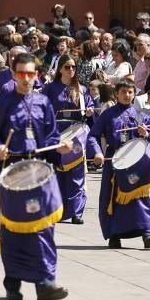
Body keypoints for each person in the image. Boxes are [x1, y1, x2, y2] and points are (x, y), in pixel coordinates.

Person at [0, 52, 71, 300]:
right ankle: (13, 281)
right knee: (13, 231)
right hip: (12, 171)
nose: (26, 79)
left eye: (31, 74)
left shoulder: (43, 102)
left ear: (37, 75)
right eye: (21, 74)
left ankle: (46, 283)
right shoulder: (3, 103)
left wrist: (58, 146)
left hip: (39, 171)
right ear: (14, 75)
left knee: (43, 228)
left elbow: (50, 136)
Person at [89, 79, 150, 250]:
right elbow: (92, 136)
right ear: (116, 94)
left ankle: (147, 233)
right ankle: (114, 235)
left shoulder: (141, 115)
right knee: (112, 198)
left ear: (134, 94)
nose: (127, 95)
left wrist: (146, 134)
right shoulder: (108, 114)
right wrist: (97, 152)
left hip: (136, 161)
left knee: (140, 197)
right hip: (114, 160)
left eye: (130, 92)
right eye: (123, 92)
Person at [41, 54, 95, 224]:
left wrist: (90, 110)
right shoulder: (50, 88)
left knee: (76, 173)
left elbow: (90, 105)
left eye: (73, 67)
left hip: (76, 134)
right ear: (60, 69)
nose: (71, 70)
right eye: (67, 67)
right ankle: (57, 209)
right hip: (56, 133)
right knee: (57, 172)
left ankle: (76, 211)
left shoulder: (82, 89)